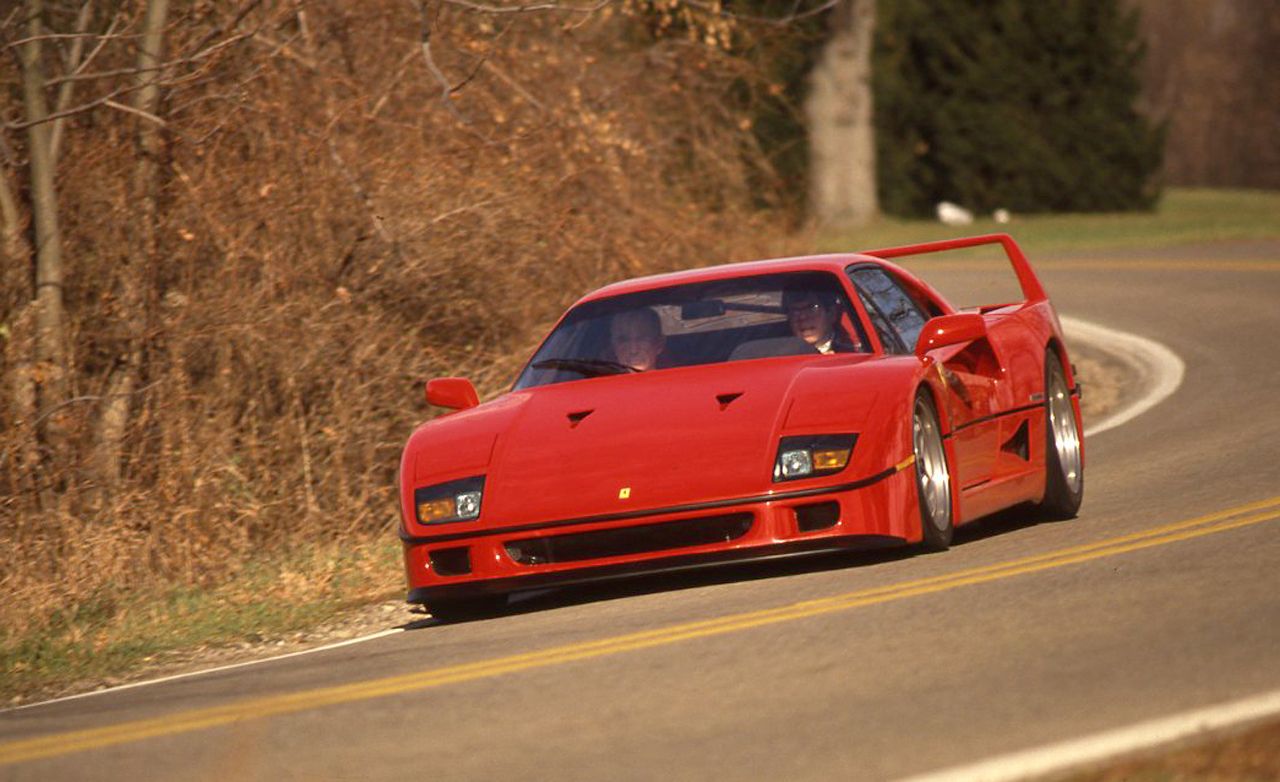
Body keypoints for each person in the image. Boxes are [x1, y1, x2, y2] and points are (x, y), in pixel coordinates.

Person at [782, 288, 842, 355]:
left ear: (831, 313)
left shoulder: (851, 349)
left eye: (812, 308)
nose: (802, 317)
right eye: (795, 310)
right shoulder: (780, 355)